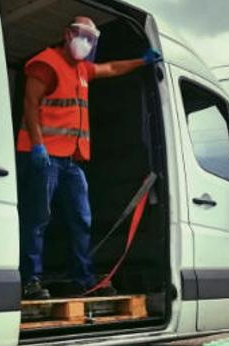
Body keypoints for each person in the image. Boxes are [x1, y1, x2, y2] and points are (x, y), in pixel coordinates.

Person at [16, 16, 161, 300]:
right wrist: (37, 145)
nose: (87, 42)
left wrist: (142, 61)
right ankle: (29, 280)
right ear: (68, 34)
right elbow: (30, 104)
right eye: (82, 34)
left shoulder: (82, 69)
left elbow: (111, 67)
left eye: (92, 37)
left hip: (72, 160)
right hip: (45, 156)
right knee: (37, 219)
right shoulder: (46, 63)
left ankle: (83, 278)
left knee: (81, 219)